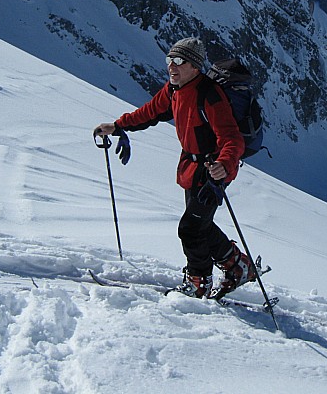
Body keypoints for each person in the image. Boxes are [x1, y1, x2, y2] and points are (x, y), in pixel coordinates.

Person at [94, 37, 257, 299]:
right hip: (190, 167)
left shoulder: (210, 95)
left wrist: (223, 166)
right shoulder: (174, 89)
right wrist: (118, 125)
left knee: (190, 228)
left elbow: (232, 139)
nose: (172, 66)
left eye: (179, 61)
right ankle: (237, 266)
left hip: (211, 169)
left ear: (195, 66)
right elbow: (149, 112)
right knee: (200, 223)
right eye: (170, 60)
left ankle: (198, 282)